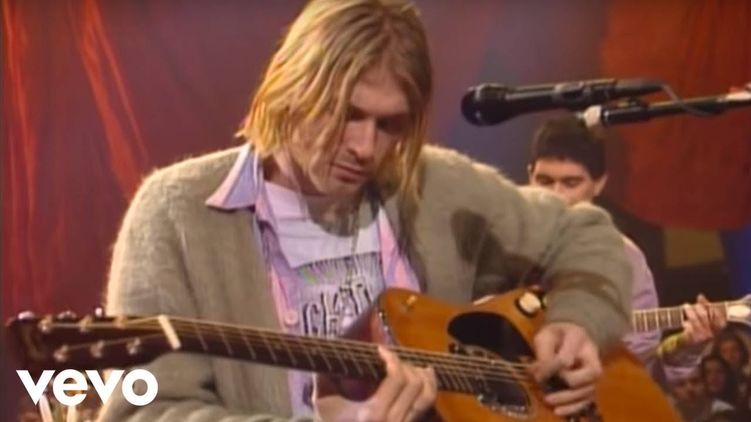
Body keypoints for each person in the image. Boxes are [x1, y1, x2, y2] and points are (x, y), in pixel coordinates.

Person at [99, 1, 634, 421]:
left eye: (389, 125)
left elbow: (583, 233)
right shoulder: (175, 214)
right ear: (292, 89)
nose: (364, 147)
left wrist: (578, 321)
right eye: (346, 114)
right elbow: (144, 410)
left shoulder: (433, 185)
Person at [527, 116, 726, 383]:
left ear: (599, 183)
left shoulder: (625, 259)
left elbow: (640, 369)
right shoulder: (495, 242)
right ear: (529, 175)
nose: (556, 195)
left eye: (571, 183)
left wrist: (687, 348)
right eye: (544, 181)